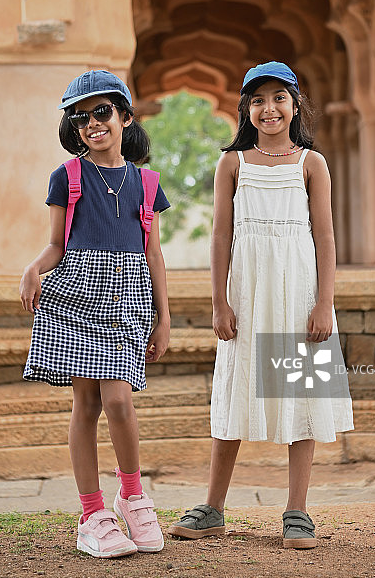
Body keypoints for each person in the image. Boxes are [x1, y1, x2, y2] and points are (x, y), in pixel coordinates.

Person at [168, 61, 353, 549]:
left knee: (302, 394)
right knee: (234, 392)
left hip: (299, 292)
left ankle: (297, 510)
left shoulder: (311, 163)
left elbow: (326, 236)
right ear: (246, 110)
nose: (268, 109)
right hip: (247, 295)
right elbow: (221, 236)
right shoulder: (233, 163)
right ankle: (213, 507)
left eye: (278, 99)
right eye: (257, 100)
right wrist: (219, 303)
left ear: (295, 106)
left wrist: (324, 303)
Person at [20, 70, 171, 559]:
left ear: (126, 116)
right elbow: (56, 245)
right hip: (76, 301)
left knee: (121, 403)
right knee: (85, 407)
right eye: (80, 117)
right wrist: (33, 269)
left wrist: (163, 318)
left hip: (128, 300)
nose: (91, 123)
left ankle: (132, 496)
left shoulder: (146, 183)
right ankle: (92, 514)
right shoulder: (67, 177)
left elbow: (153, 255)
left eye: (102, 112)